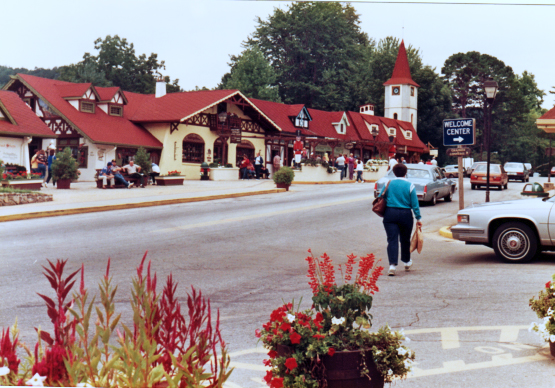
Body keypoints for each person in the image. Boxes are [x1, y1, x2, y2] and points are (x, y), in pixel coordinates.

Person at [378, 163, 422, 276]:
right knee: (405, 239)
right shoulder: (410, 185)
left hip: (390, 213)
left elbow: (380, 197)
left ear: (394, 172)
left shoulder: (389, 183)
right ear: (405, 173)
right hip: (405, 214)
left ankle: (392, 265)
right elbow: (414, 204)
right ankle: (407, 262)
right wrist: (418, 218)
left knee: (392, 239)